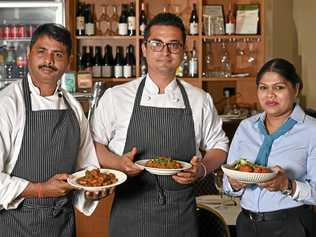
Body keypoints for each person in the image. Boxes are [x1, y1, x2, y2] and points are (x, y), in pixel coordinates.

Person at [90, 13, 228, 237]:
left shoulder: (198, 99)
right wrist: (118, 163)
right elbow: (94, 144)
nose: (165, 52)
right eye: (157, 44)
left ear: (183, 51)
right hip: (130, 213)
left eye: (174, 45)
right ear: (144, 49)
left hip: (180, 215)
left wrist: (201, 169)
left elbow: (219, 146)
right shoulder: (117, 96)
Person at [0, 23, 105, 236]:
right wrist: (40, 190)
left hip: (62, 225)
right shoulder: (7, 104)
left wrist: (92, 191)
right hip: (18, 224)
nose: (49, 61)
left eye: (58, 54)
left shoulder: (74, 108)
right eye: (42, 52)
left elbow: (86, 169)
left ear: (68, 62)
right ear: (29, 54)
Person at [223, 58, 316, 237]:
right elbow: (228, 183)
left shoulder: (312, 130)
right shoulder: (246, 127)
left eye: (279, 87)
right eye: (263, 87)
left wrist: (287, 185)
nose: (270, 95)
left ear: (296, 88)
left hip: (291, 225)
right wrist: (234, 184)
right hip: (246, 225)